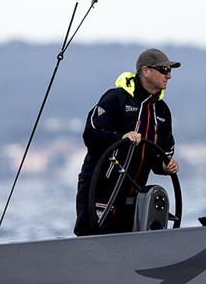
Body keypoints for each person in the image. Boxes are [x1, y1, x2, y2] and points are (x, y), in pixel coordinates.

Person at [74, 48, 181, 236]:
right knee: (92, 239)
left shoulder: (162, 111)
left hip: (132, 194)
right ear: (145, 71)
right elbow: (91, 134)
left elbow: (163, 151)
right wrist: (121, 138)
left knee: (125, 244)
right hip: (100, 188)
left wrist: (165, 166)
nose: (169, 76)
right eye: (164, 70)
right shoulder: (116, 98)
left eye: (169, 71)